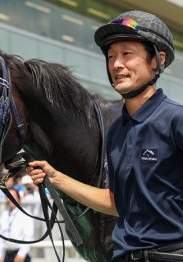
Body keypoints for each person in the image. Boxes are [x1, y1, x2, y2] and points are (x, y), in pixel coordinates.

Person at [27, 10, 183, 262]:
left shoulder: (176, 120)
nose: (116, 64)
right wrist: (56, 178)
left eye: (127, 54)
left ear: (157, 60)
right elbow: (115, 202)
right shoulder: (116, 131)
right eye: (111, 56)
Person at [0, 188, 34, 262]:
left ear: (19, 198)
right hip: (7, 255)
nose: (9, 199)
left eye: (12, 196)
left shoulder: (25, 214)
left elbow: (28, 236)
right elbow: (2, 236)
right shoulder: (4, 215)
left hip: (20, 254)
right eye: (7, 197)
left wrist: (21, 254)